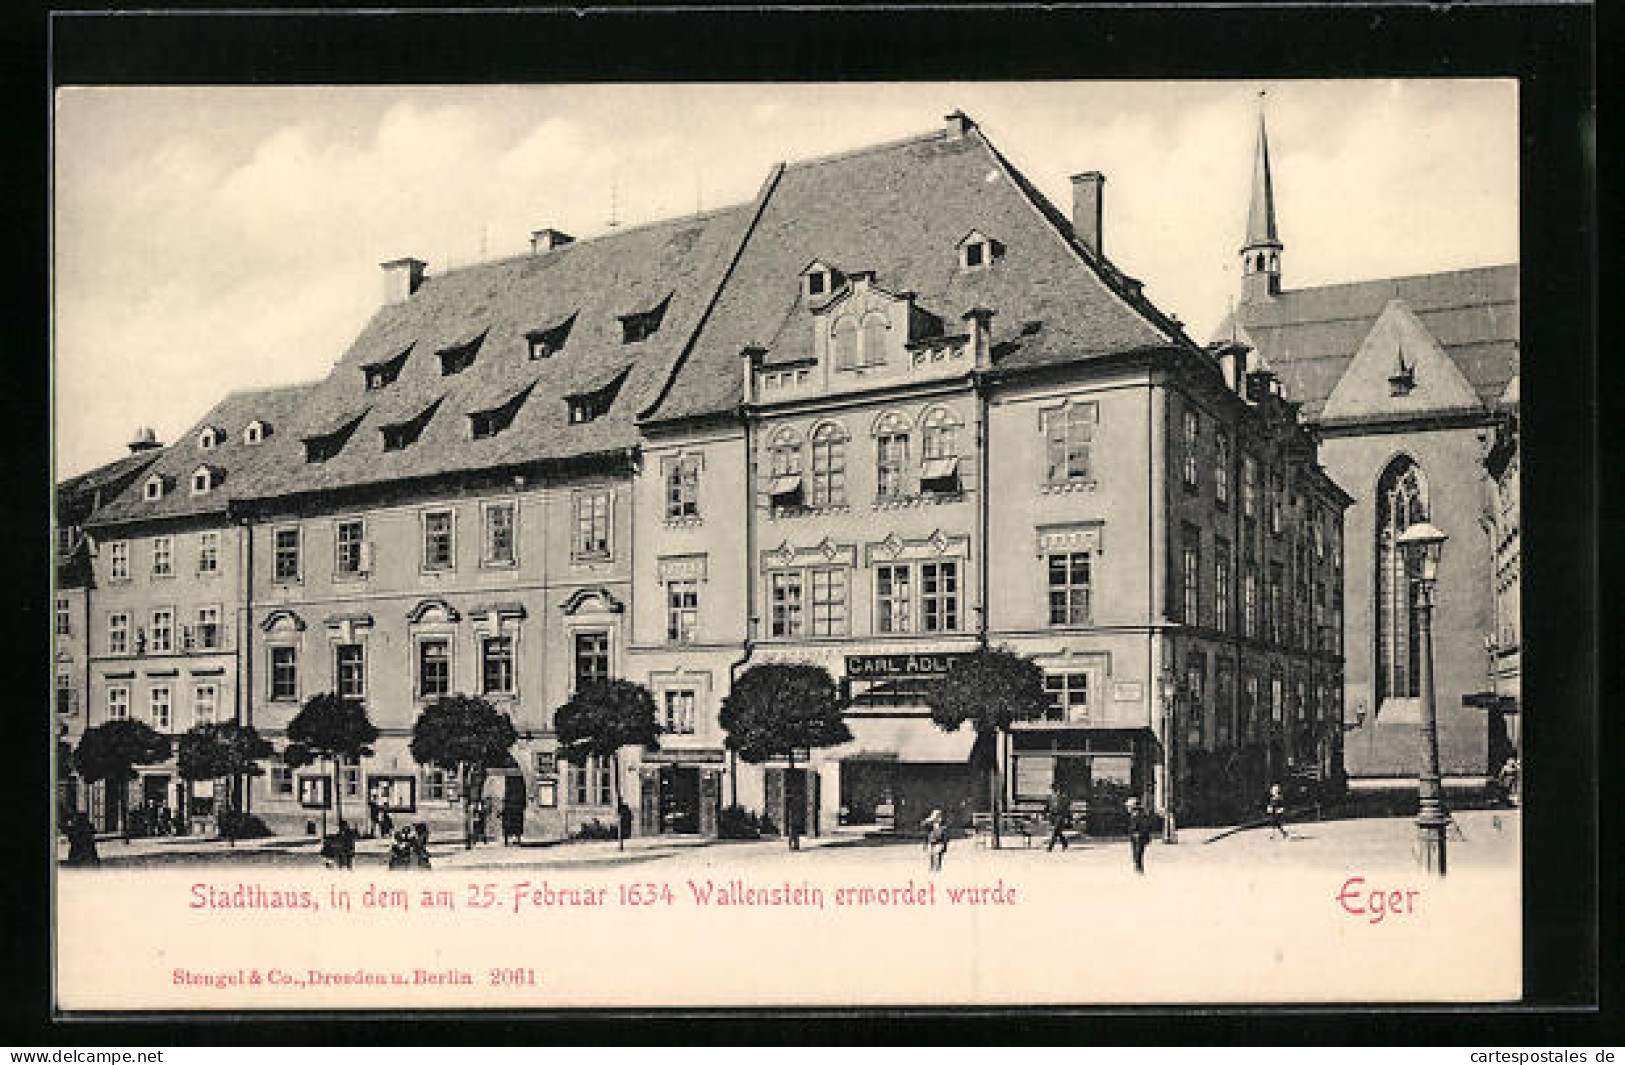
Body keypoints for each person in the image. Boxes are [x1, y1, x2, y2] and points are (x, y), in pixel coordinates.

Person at [1125, 798, 1153, 874]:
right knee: (1136, 853)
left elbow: (1144, 826)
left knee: (1138, 853)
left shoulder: (1140, 815)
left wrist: (1139, 833)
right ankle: (1138, 867)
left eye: (1129, 807)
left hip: (1140, 837)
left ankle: (1139, 868)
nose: (1128, 809)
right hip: (1136, 836)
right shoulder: (1135, 814)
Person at [1045, 788, 1072, 852]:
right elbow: (1047, 807)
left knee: (1055, 831)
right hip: (1053, 816)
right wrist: (1045, 813)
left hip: (1060, 816)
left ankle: (1050, 847)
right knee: (1058, 832)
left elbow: (1066, 809)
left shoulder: (1063, 798)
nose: (1056, 792)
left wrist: (1068, 818)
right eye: (1054, 791)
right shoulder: (1051, 798)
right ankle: (1065, 843)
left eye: (1057, 791)